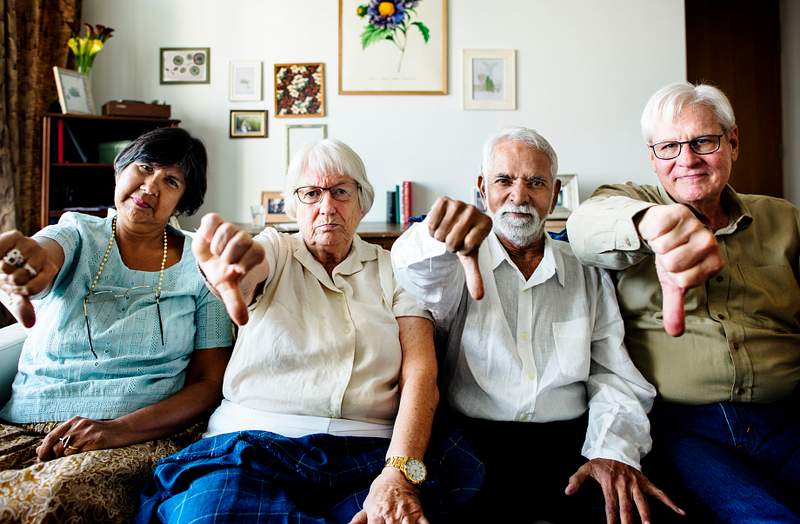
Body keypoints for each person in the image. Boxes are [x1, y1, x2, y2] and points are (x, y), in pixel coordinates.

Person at [135, 139, 482, 523]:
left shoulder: (395, 268)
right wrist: (225, 271)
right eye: (311, 193)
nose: (327, 206)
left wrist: (398, 474)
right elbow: (247, 272)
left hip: (369, 450)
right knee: (209, 515)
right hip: (252, 445)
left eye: (341, 192)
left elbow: (420, 373)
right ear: (293, 206)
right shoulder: (275, 249)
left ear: (362, 203)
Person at [391, 127, 683, 523]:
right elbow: (412, 271)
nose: (519, 195)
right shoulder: (453, 261)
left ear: (555, 191)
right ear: (481, 187)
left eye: (535, 182)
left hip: (569, 444)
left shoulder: (586, 270)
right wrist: (435, 233)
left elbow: (613, 375)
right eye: (504, 180)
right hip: (470, 444)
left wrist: (610, 451)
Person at [567, 82, 800, 522]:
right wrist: (653, 222)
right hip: (685, 428)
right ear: (652, 158)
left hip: (786, 417)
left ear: (733, 142)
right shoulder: (626, 204)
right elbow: (582, 229)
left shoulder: (784, 219)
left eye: (703, 142)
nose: (687, 159)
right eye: (669, 147)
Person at [0, 127, 233, 523]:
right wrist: (22, 263)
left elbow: (208, 384)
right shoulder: (75, 231)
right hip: (22, 424)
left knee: (57, 498)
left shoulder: (201, 262)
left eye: (171, 180)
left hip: (134, 436)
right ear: (119, 170)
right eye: (144, 167)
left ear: (183, 200)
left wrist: (117, 430)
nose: (151, 186)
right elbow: (41, 258)